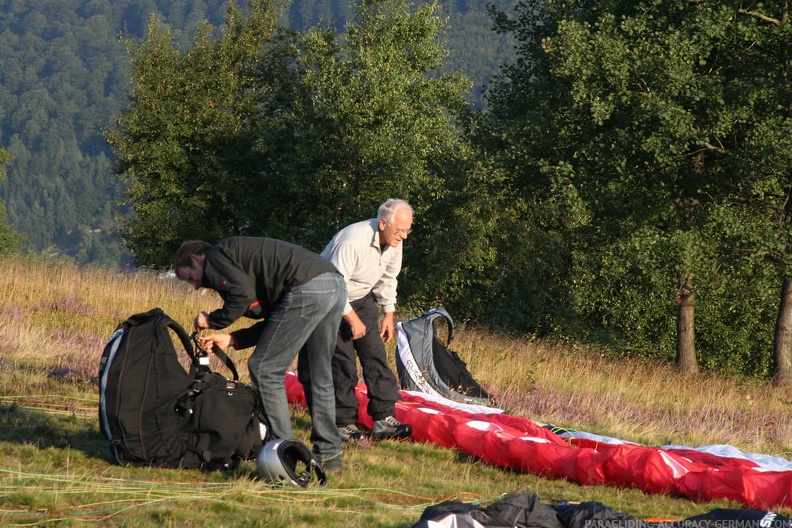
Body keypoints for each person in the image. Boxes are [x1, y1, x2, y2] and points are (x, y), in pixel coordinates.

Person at [173, 236, 347, 473]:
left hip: (309, 288)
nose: (196, 286)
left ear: (196, 258)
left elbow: (240, 297)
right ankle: (329, 456)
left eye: (191, 277)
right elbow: (277, 321)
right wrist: (233, 339)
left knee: (265, 369)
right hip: (333, 284)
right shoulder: (249, 267)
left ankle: (283, 456)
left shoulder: (216, 256)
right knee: (319, 374)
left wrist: (212, 320)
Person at [299, 199, 413, 441]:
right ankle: (344, 423)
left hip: (362, 299)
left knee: (375, 356)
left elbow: (389, 278)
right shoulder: (352, 240)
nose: (404, 236)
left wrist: (388, 313)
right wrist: (352, 320)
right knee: (343, 364)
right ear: (383, 223)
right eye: (400, 230)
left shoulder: (394, 241)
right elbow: (333, 285)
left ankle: (384, 418)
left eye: (407, 230)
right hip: (327, 300)